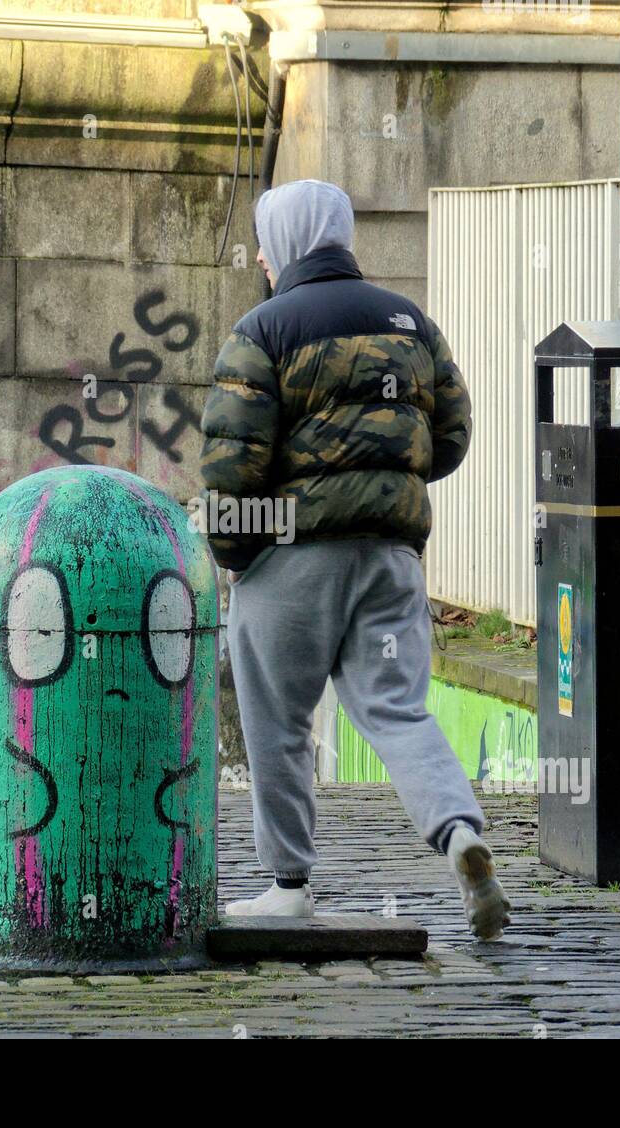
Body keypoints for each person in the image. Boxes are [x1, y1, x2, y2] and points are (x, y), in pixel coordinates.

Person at [200, 179, 510, 939]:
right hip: (391, 555)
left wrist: (235, 552)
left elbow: (233, 462)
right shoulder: (411, 323)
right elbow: (453, 435)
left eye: (267, 246)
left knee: (278, 720)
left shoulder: (262, 329)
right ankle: (459, 833)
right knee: (396, 708)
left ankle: (288, 885)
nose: (264, 260)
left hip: (291, 555)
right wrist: (385, 481)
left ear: (286, 243)